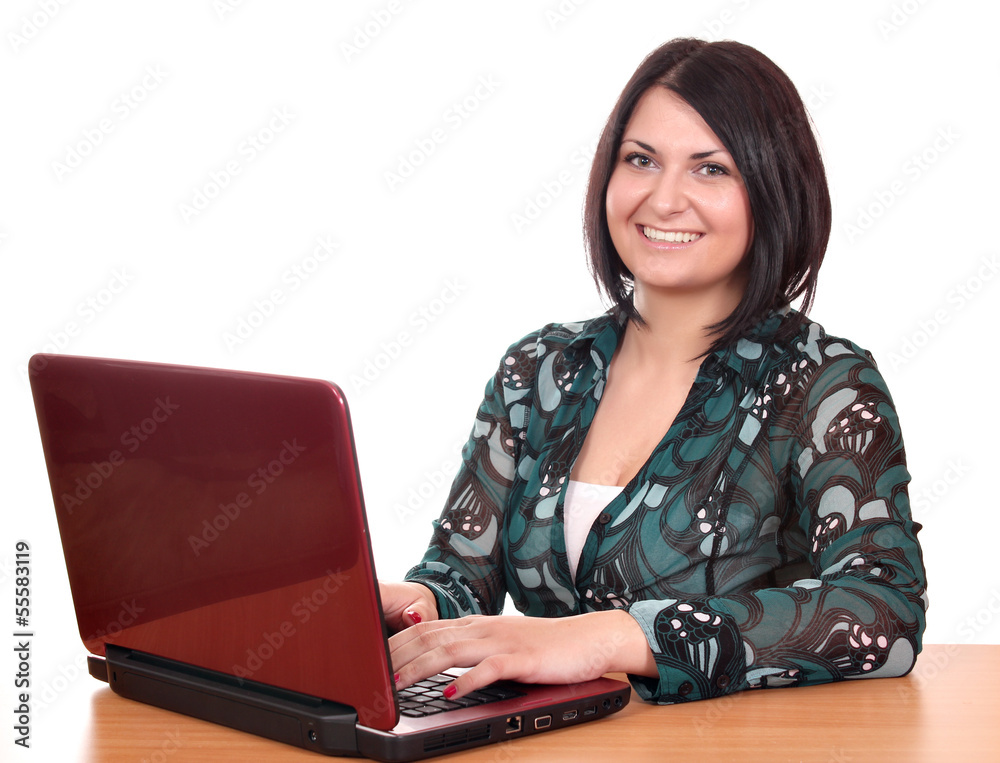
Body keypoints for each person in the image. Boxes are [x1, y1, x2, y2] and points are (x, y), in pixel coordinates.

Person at [380, 37, 927, 705]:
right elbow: (460, 579)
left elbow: (884, 610)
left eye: (711, 169)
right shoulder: (540, 370)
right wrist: (399, 604)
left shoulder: (824, 384)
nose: (664, 200)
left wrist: (616, 636)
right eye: (641, 160)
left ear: (774, 188)